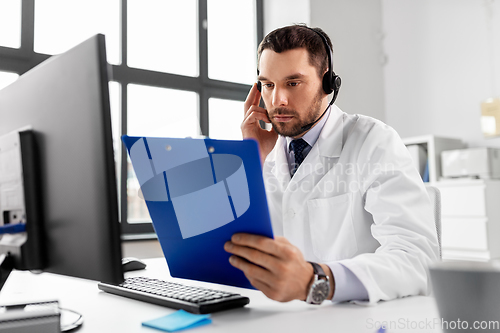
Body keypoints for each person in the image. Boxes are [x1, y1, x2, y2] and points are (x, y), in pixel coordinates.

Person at [224, 24, 439, 305]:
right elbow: (231, 249)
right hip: (279, 319)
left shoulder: (373, 141)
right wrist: (252, 160)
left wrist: (317, 280)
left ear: (328, 84)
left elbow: (417, 259)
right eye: (268, 85)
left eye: (293, 83)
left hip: (356, 317)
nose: (278, 100)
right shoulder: (262, 151)